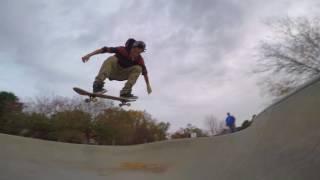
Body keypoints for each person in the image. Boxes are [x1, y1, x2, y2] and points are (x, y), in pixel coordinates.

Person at [81, 38, 152, 99]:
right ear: (132, 48)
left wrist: (148, 85)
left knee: (138, 68)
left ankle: (125, 92)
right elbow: (104, 49)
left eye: (139, 53)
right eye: (135, 51)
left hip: (122, 75)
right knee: (112, 59)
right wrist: (89, 55)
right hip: (111, 71)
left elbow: (145, 73)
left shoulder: (139, 59)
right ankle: (97, 85)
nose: (135, 54)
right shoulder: (122, 50)